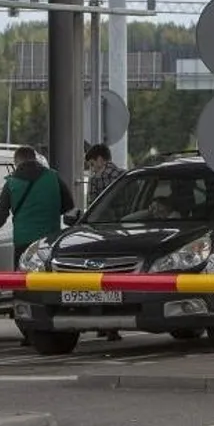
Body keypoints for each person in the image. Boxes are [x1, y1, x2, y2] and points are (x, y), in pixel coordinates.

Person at [0, 146, 75, 346]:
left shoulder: (12, 183)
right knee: (51, 283)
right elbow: (68, 204)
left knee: (23, 287)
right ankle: (53, 322)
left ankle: (28, 331)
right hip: (49, 241)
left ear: (18, 162)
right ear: (35, 159)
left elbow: (1, 215)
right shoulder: (53, 177)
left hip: (24, 243)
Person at [84, 143, 126, 342]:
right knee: (115, 282)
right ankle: (113, 326)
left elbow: (91, 208)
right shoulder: (124, 176)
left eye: (92, 164)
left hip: (100, 234)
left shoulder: (97, 179)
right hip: (122, 234)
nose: (92, 169)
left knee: (95, 282)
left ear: (100, 159)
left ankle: (102, 324)